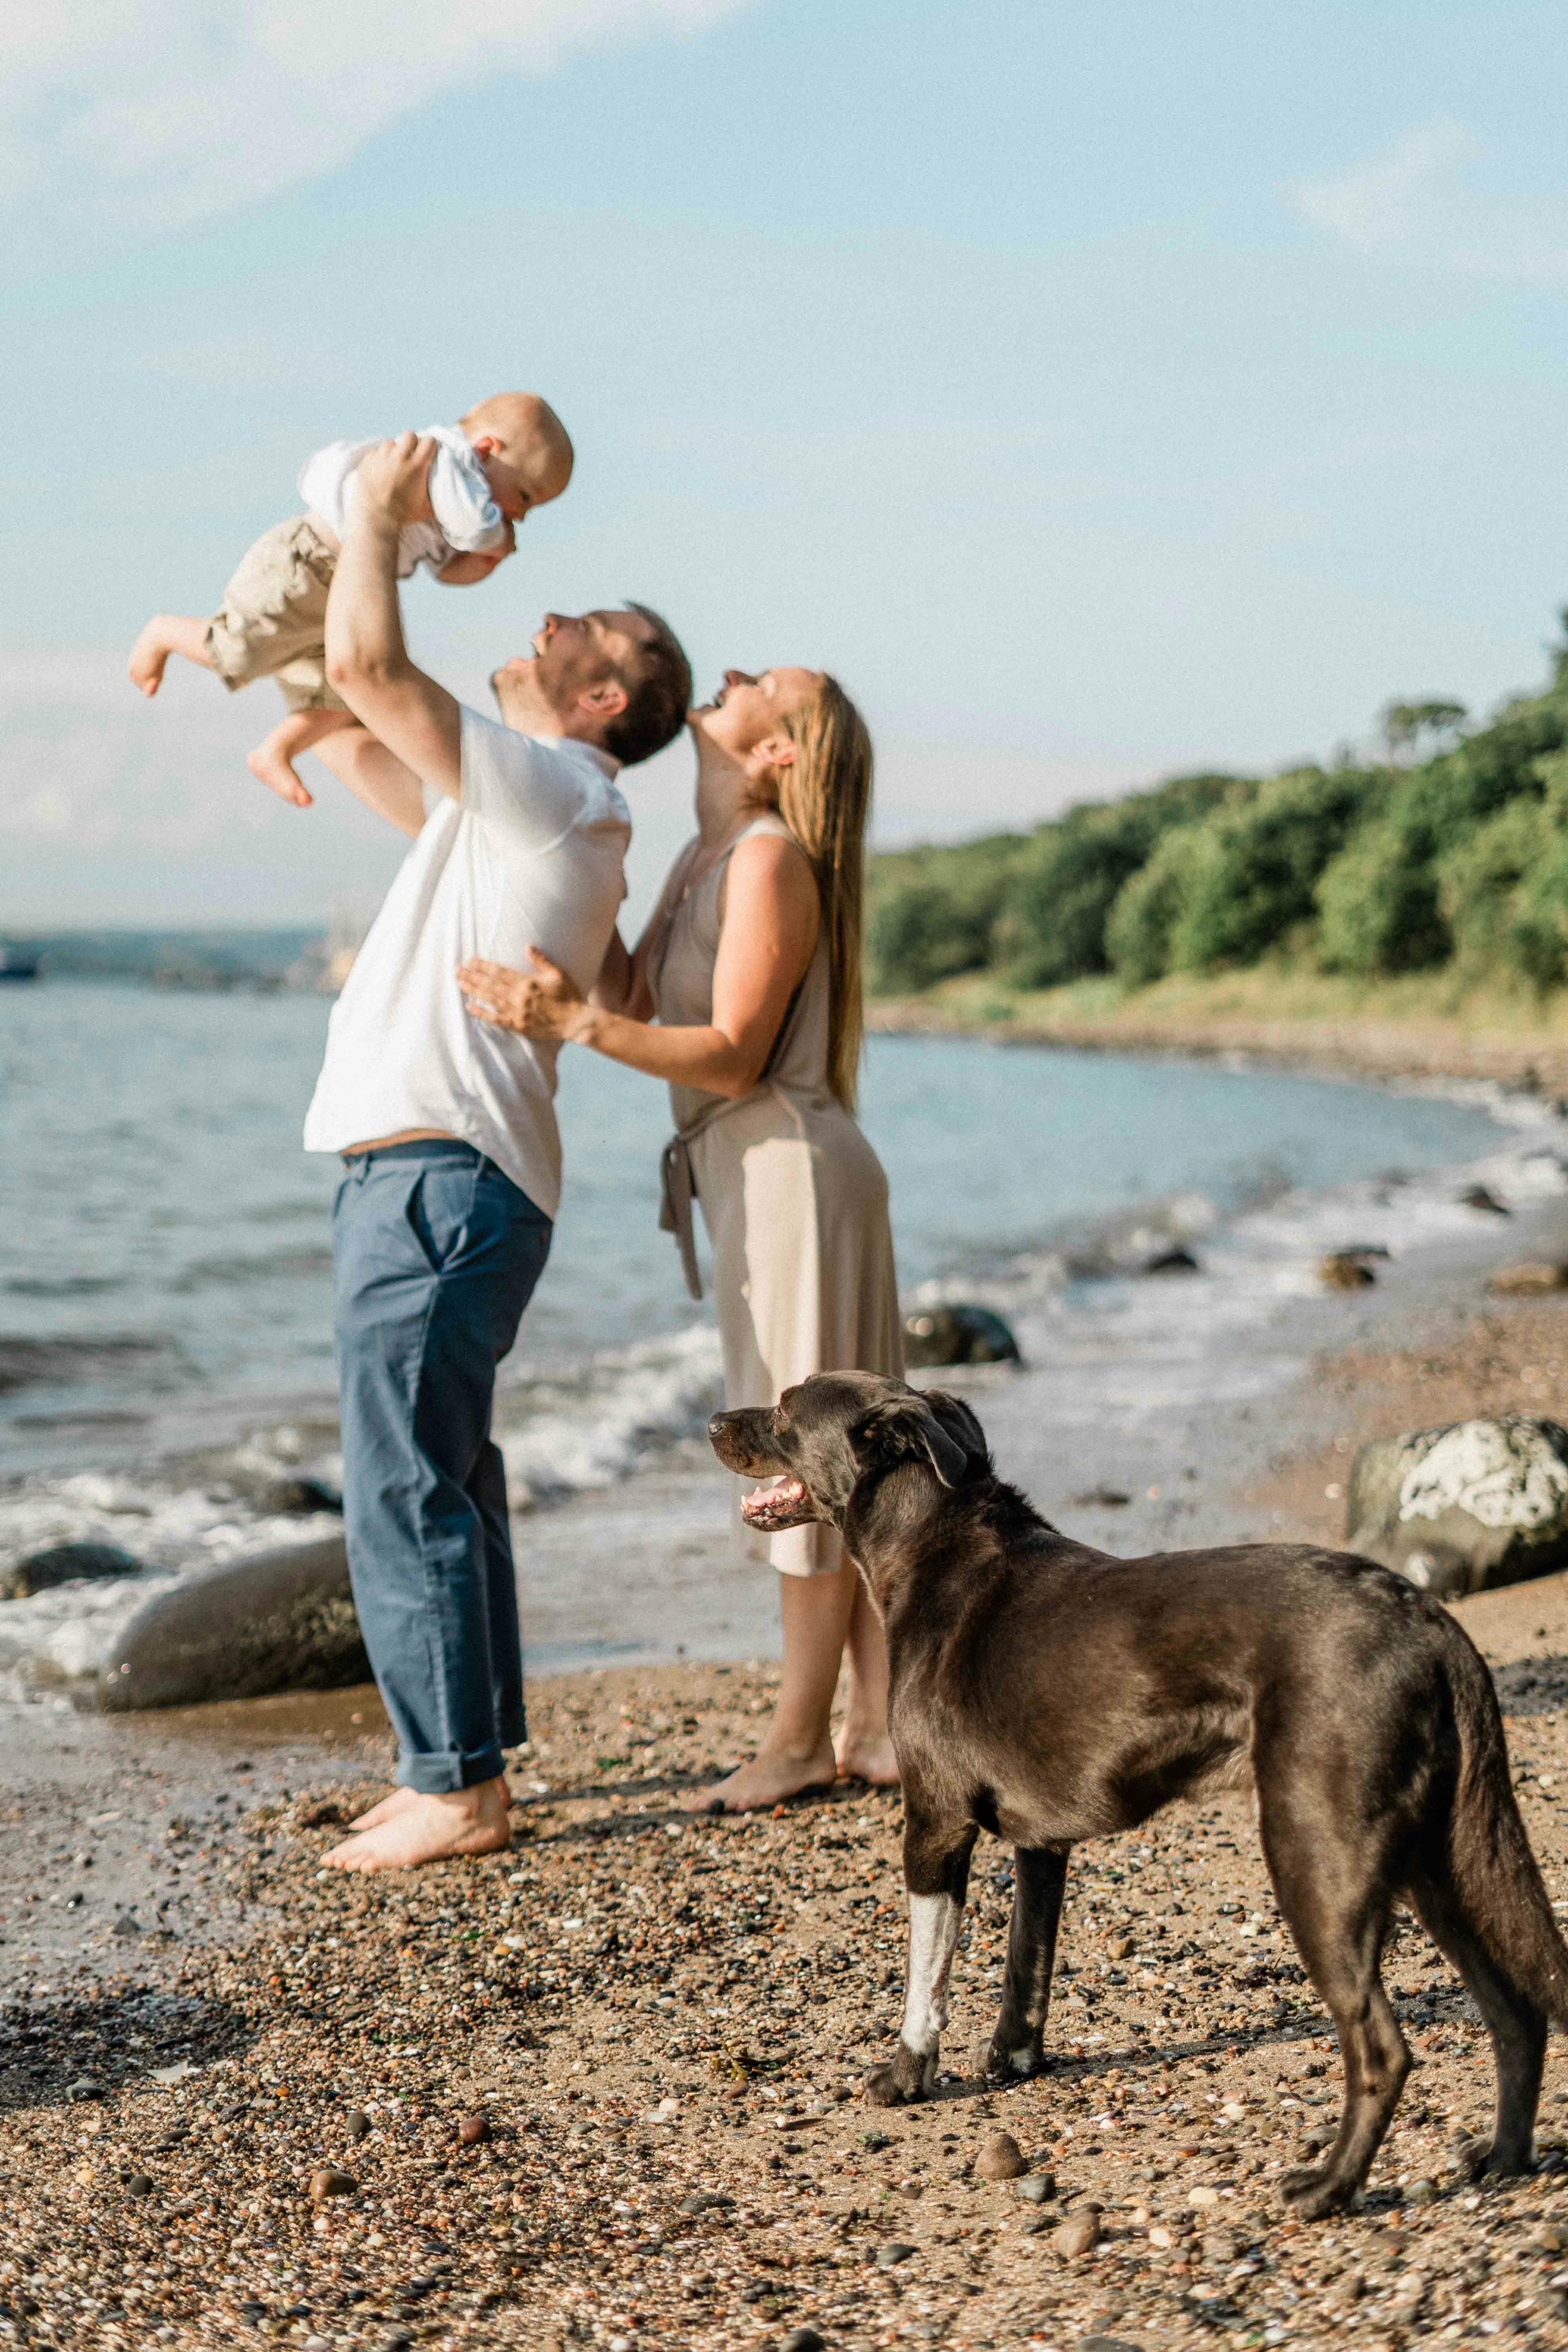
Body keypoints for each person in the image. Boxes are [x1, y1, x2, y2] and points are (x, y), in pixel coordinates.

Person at [296, 431, 691, 1871]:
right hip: (446, 1177)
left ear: (600, 696)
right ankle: (470, 1754)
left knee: (406, 1469)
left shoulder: (560, 785)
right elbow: (352, 726)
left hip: (436, 1175)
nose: (544, 618)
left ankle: (454, 1784)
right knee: (447, 1466)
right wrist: (352, 564)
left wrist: (376, 511)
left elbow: (368, 681)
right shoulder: (524, 810)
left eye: (580, 626)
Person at [458, 664, 903, 1813]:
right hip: (755, 1170)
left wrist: (573, 1024)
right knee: (835, 1454)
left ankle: (802, 1738)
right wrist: (574, 838)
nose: (738, 672)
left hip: (790, 1169)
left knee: (806, 1459)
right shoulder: (707, 856)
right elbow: (638, 982)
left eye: (769, 683)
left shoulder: (767, 858)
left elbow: (731, 1051)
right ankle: (881, 1725)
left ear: (781, 753)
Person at [127, 392, 574, 804]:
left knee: (342, 701)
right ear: (487, 449)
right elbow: (475, 526)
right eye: (525, 497)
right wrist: (493, 538)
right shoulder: (445, 461)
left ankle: (277, 749)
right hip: (306, 565)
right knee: (238, 652)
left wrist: (482, 564)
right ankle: (163, 632)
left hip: (343, 597)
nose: (520, 515)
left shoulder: (461, 503)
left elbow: (446, 571)